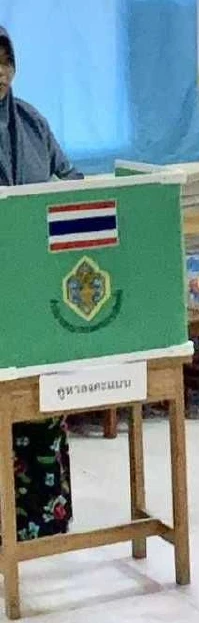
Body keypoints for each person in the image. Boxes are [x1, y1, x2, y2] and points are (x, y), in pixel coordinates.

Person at [0, 26, 82, 543]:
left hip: (33, 284)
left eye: (4, 61)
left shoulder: (31, 120)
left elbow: (69, 177)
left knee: (37, 401)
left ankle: (41, 518)